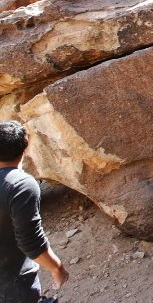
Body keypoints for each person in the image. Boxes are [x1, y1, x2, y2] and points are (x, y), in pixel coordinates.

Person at [1, 120, 69, 303]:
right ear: (25, 148)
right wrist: (57, 268)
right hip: (12, 286)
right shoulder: (20, 185)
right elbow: (30, 241)